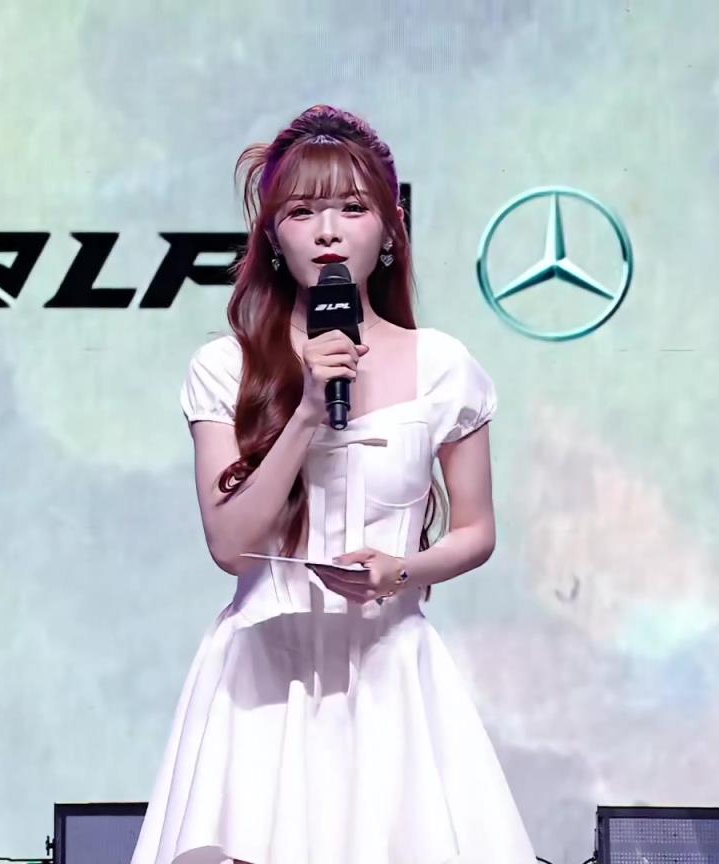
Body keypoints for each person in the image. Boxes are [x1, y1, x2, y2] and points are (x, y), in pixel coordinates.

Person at [130, 105, 538, 864]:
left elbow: (477, 530)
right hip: (260, 682)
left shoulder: (443, 365)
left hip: (391, 676)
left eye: (352, 208)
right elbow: (229, 545)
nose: (327, 231)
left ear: (390, 230)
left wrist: (400, 570)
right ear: (271, 238)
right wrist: (308, 412)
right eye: (301, 212)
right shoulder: (225, 368)